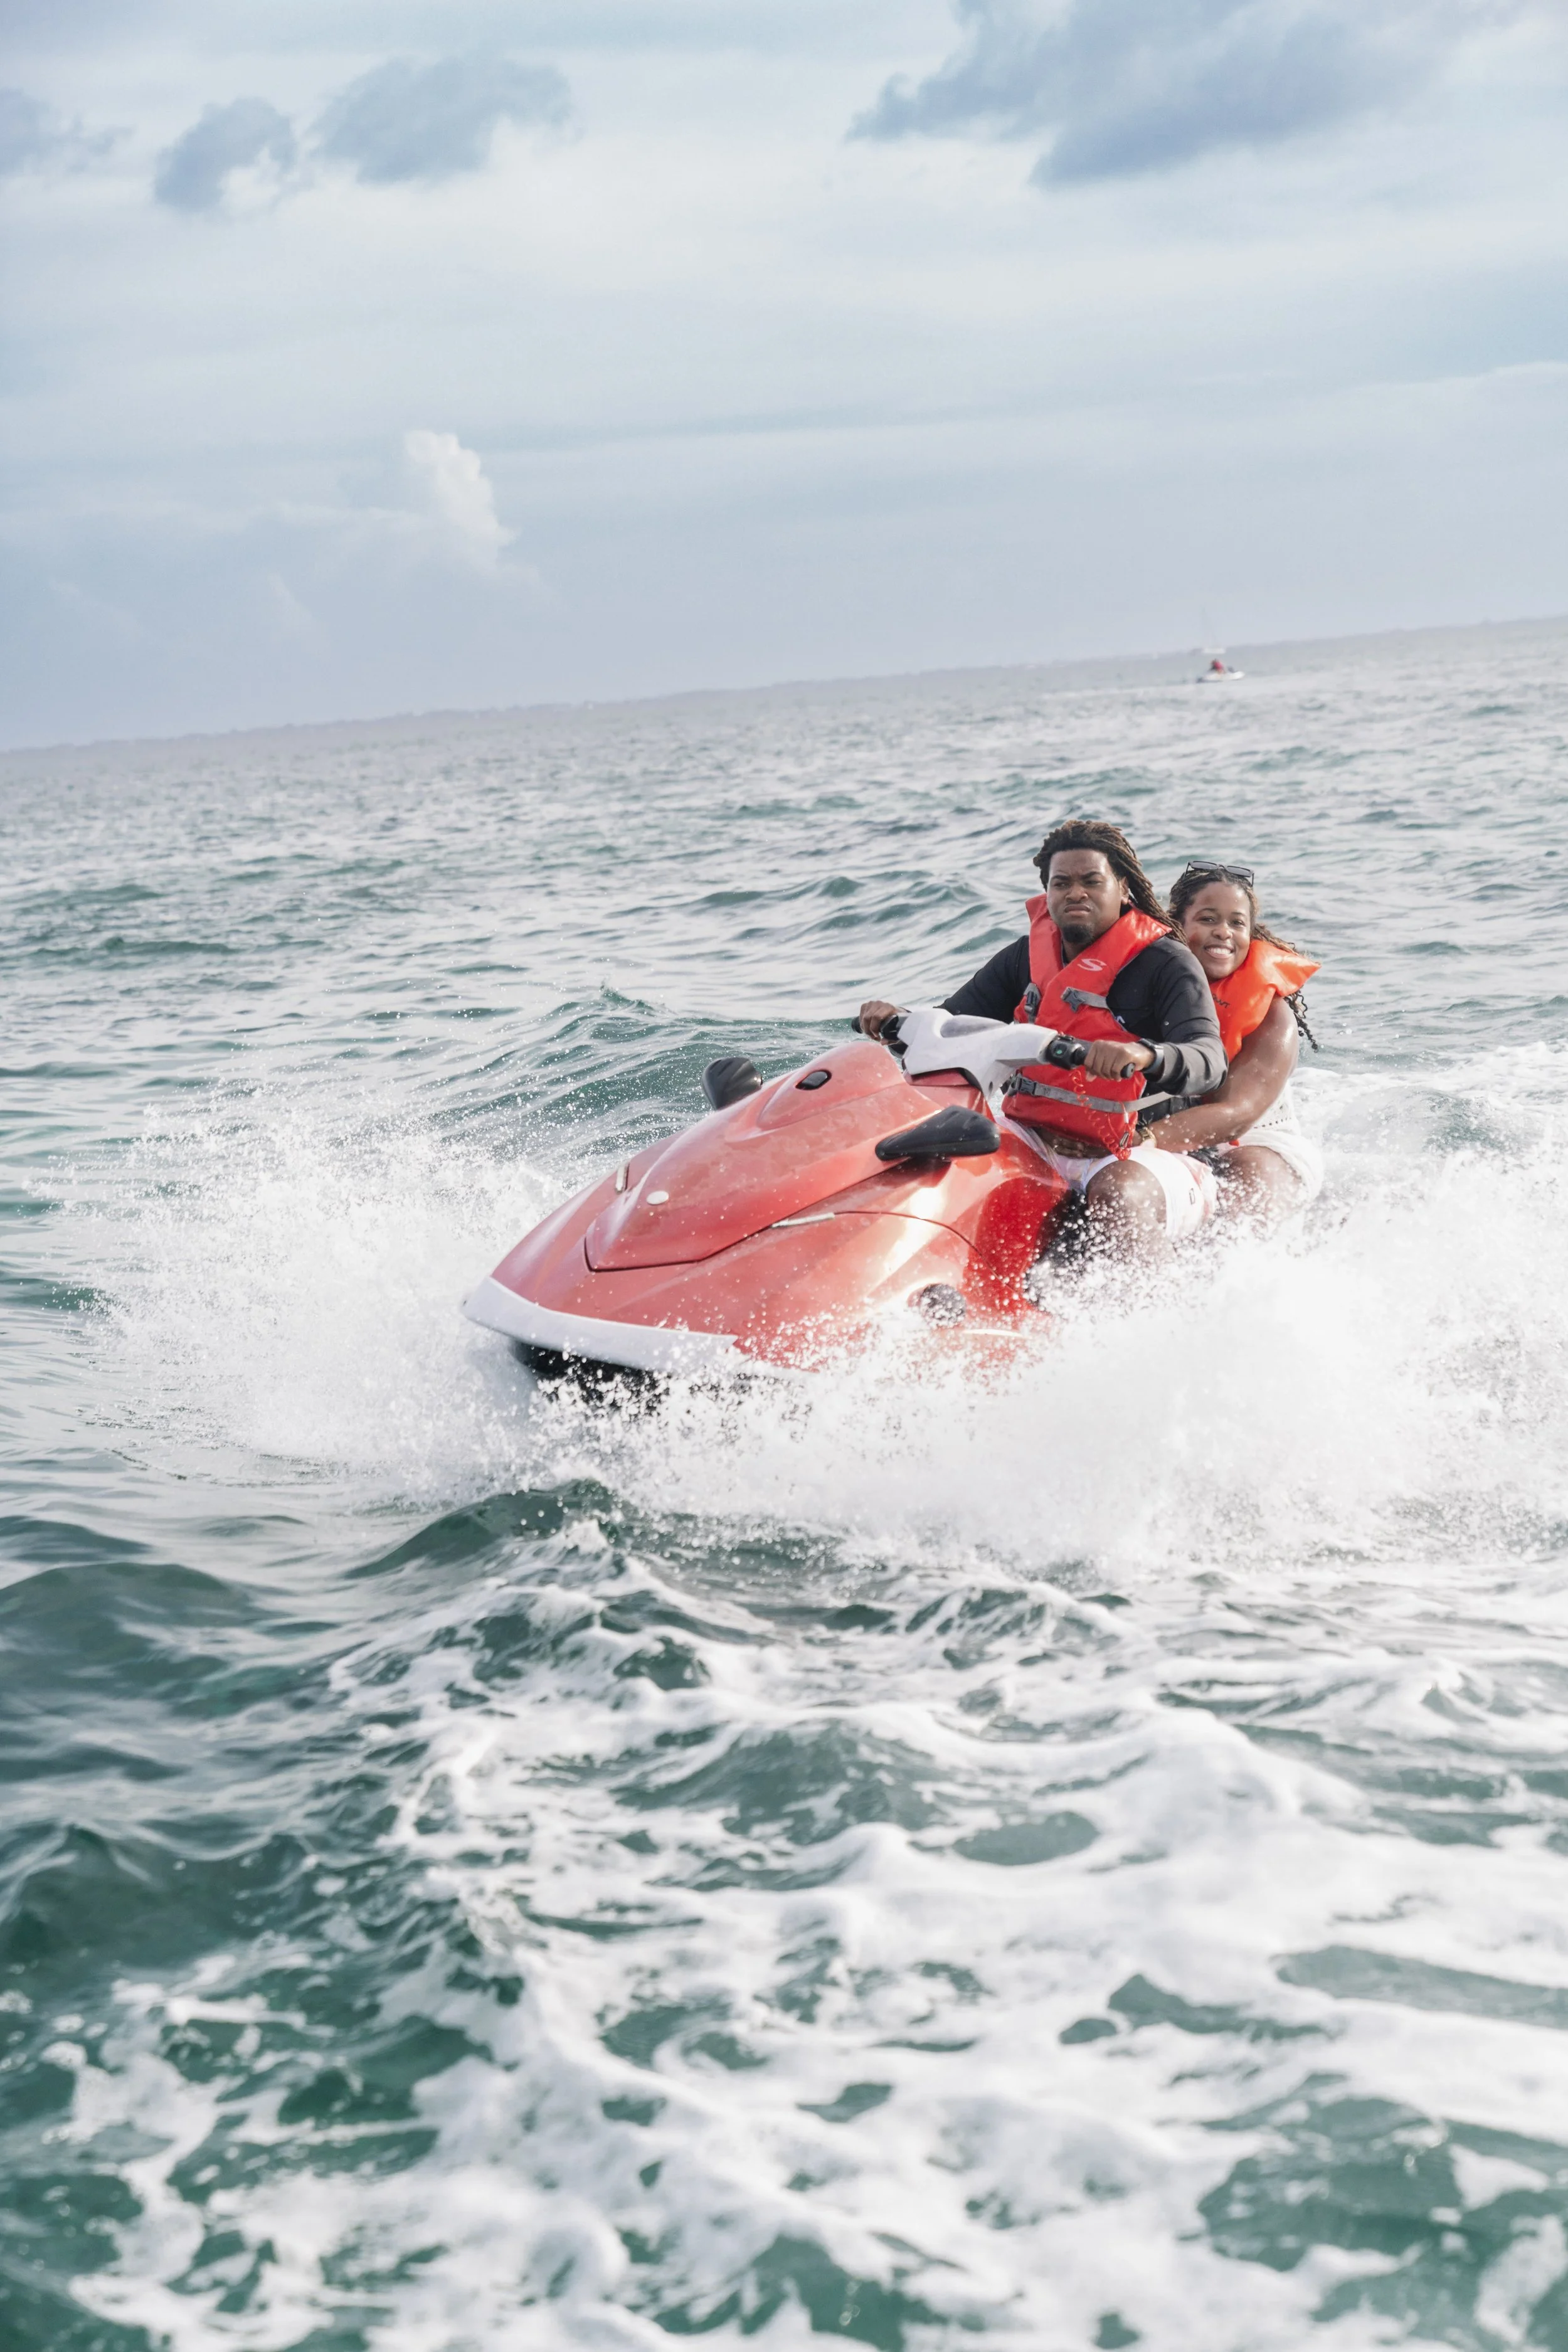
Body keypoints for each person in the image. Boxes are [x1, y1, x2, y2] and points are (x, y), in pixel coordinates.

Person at [857, 819, 1226, 1256]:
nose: (1076, 893)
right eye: (1061, 883)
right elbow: (951, 1026)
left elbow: (1209, 1060)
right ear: (1046, 892)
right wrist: (898, 1021)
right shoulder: (1024, 959)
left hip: (1139, 1156)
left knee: (1118, 1197)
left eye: (1092, 881)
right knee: (941, 1168)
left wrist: (1145, 1055)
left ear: (1123, 888)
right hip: (1035, 1139)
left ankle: (1155, 1320)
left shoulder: (1167, 964)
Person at [1147, 861, 1322, 1219]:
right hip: (1166, 1136)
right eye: (1208, 919)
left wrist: (1140, 1141)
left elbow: (1236, 1116)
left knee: (1243, 1189)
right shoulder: (1142, 988)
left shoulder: (1273, 1015)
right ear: (1177, 925)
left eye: (1237, 923)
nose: (1224, 932)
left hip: (1255, 1142)